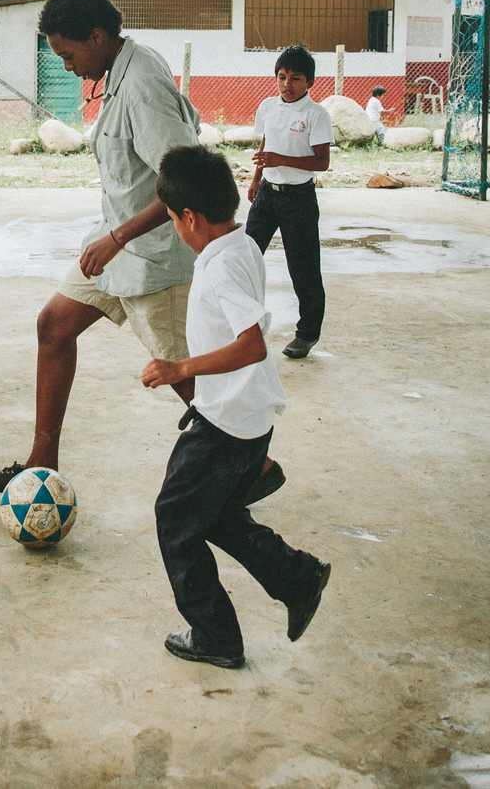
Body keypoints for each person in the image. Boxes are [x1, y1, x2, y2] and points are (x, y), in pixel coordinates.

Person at [0, 0, 209, 492]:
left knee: (186, 376)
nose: (65, 65)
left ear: (97, 37)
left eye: (68, 53)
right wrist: (114, 237)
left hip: (152, 256)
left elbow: (188, 180)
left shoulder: (141, 82)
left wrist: (119, 237)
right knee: (54, 326)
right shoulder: (124, 68)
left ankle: (254, 464)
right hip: (117, 245)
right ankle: (41, 465)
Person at [141, 145, 331, 669]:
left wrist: (181, 369)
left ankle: (215, 636)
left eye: (175, 220)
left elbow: (252, 344)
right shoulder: (241, 243)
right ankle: (298, 577)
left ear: (190, 217)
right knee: (217, 515)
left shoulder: (221, 268)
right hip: (248, 420)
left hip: (222, 426)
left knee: (175, 519)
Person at [248, 46, 332, 360]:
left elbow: (321, 162)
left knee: (304, 269)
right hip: (268, 194)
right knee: (246, 255)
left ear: (309, 81)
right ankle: (240, 324)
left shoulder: (316, 114)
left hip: (299, 200)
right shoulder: (268, 106)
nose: (287, 84)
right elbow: (265, 143)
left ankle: (307, 334)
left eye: (295, 78)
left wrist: (278, 159)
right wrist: (257, 178)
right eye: (282, 77)